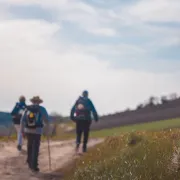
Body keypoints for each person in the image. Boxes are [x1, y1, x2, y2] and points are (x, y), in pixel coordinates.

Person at [20, 96, 50, 172]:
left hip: (28, 130)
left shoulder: (27, 109)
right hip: (37, 131)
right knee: (35, 148)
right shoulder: (42, 109)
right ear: (39, 102)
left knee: (29, 146)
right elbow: (47, 120)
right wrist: (47, 130)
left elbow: (22, 120)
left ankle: (29, 162)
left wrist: (22, 131)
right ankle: (34, 166)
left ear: (32, 101)